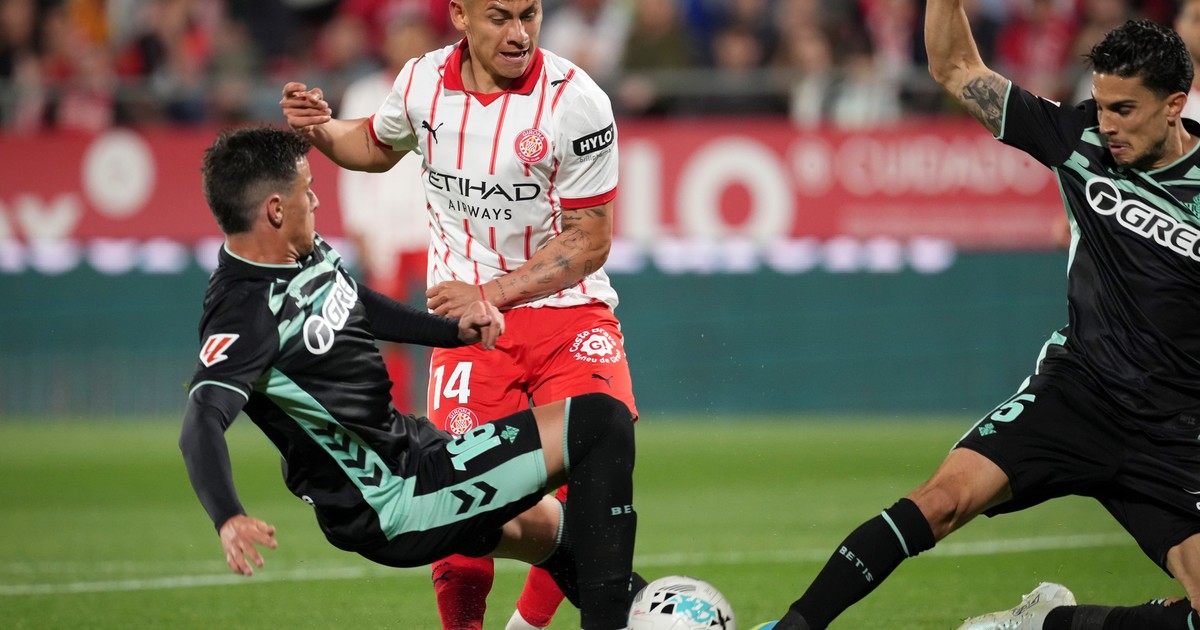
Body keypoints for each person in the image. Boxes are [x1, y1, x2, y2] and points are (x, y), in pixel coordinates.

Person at [758, 9, 1200, 630]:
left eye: (1123, 110)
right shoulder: (1077, 140)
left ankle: (1045, 624)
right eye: (1101, 105)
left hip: (1174, 432)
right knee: (941, 501)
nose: (1106, 124)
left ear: (1174, 105)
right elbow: (956, 67)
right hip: (1078, 394)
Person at [179, 126, 642, 630]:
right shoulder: (244, 312)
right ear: (274, 210)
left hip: (413, 454)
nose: (314, 200)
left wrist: (453, 332)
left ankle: (659, 615)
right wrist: (228, 516)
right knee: (601, 423)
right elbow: (201, 419)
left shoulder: (301, 254)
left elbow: (357, 302)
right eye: (306, 191)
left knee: (570, 537)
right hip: (393, 501)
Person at [278, 2, 638, 629]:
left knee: (596, 469)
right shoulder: (421, 82)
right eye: (500, 17)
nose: (519, 33)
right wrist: (322, 130)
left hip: (569, 315)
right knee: (458, 506)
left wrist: (491, 292)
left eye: (530, 13)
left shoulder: (577, 101)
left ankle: (530, 625)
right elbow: (375, 145)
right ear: (460, 15)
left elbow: (590, 240)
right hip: (470, 332)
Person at [337, 14, 436, 415]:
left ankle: (444, 409)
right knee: (392, 331)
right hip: (386, 232)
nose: (410, 45)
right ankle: (397, 413)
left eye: (417, 36)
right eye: (403, 37)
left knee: (446, 322)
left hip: (435, 230)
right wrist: (359, 227)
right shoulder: (364, 94)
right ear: (387, 43)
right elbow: (350, 168)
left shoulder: (445, 89)